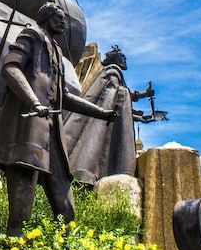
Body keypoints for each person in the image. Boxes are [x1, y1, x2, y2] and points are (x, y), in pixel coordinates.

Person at [0, 2, 115, 236]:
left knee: (66, 209)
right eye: (59, 17)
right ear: (45, 18)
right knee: (21, 210)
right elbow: (11, 68)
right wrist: (33, 101)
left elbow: (64, 96)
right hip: (28, 132)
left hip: (53, 138)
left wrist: (100, 113)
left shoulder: (57, 52)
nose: (64, 21)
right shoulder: (31, 35)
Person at [63, 45, 154, 185]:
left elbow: (117, 105)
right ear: (115, 59)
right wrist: (143, 94)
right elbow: (117, 94)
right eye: (122, 57)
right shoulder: (112, 73)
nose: (125, 60)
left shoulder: (110, 74)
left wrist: (138, 116)